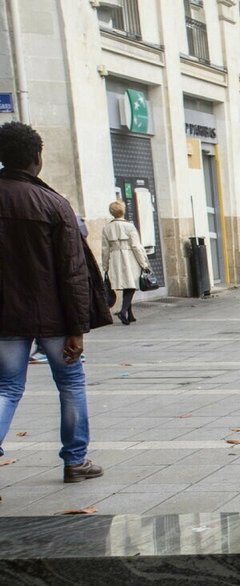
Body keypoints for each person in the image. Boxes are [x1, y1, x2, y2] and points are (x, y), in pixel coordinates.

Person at [0, 121, 103, 483]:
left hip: (4, 318)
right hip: (55, 317)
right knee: (71, 383)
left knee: (7, 387)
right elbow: (74, 274)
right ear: (37, 157)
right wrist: (78, 328)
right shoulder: (54, 204)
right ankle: (75, 461)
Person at [100, 199, 151, 325]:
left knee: (125, 286)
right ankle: (123, 311)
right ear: (123, 211)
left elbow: (105, 249)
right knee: (131, 286)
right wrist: (144, 263)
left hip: (115, 258)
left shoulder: (107, 228)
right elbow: (136, 246)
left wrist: (105, 266)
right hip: (129, 258)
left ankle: (130, 314)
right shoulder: (129, 226)